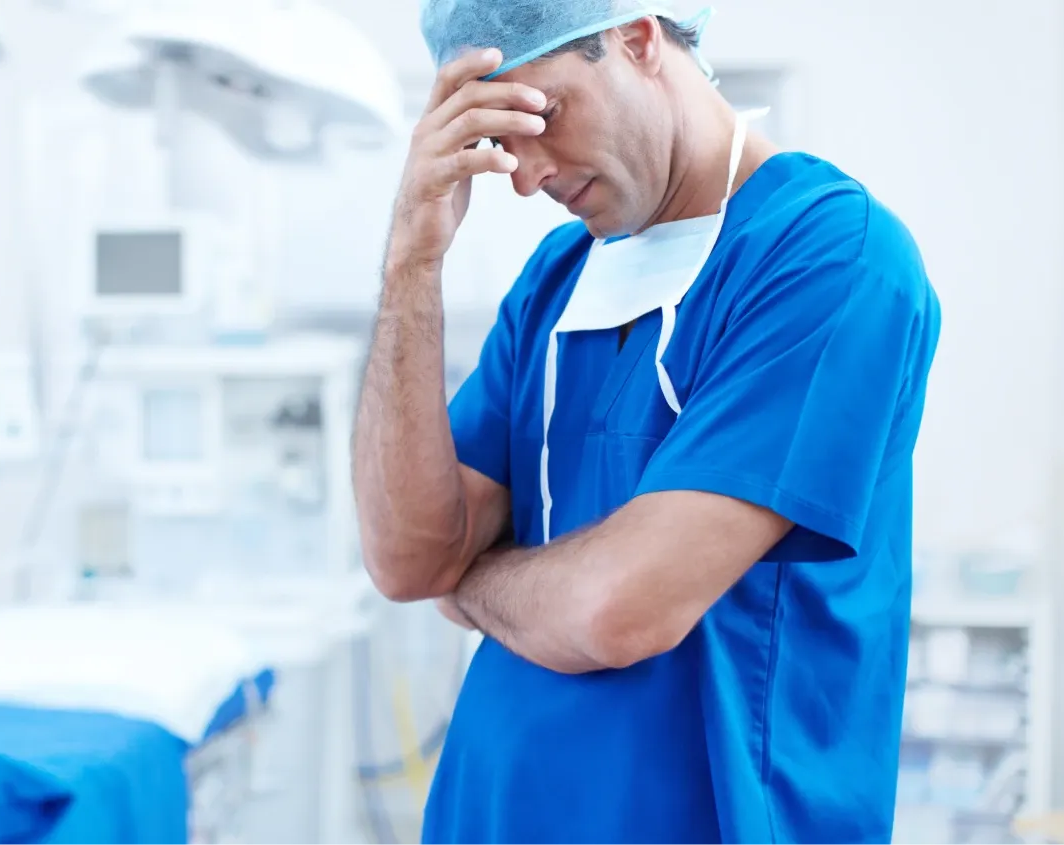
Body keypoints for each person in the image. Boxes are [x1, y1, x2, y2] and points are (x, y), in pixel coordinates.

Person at [350, 1, 942, 843]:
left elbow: (619, 611)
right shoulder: (556, 280)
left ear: (637, 38)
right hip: (490, 814)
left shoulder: (827, 255)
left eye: (542, 115)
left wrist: (472, 580)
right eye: (501, 142)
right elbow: (409, 560)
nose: (525, 176)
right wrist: (413, 260)